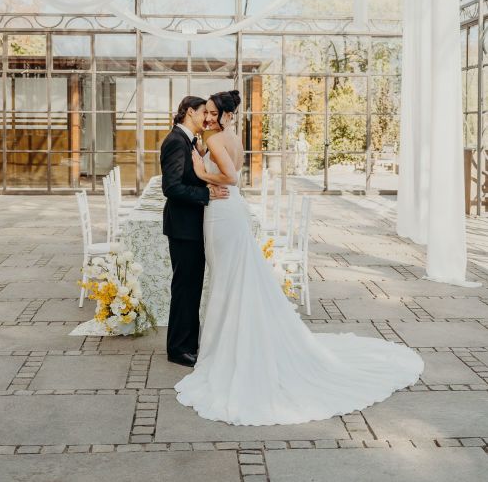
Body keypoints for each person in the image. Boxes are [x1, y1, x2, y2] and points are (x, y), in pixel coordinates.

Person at [174, 89, 424, 426]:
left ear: (228, 116)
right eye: (207, 113)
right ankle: (235, 341)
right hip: (228, 211)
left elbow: (230, 178)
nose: (208, 118)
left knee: (227, 278)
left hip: (221, 213)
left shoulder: (217, 139)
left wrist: (201, 174)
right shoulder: (227, 138)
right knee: (232, 277)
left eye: (214, 113)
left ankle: (230, 350)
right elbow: (234, 172)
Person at [160, 95, 229, 368]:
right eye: (204, 113)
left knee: (190, 288)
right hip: (183, 227)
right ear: (190, 112)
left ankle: (188, 343)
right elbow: (172, 188)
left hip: (189, 225)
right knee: (185, 288)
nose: (208, 118)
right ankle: (178, 349)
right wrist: (207, 192)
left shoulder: (187, 141)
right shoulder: (176, 142)